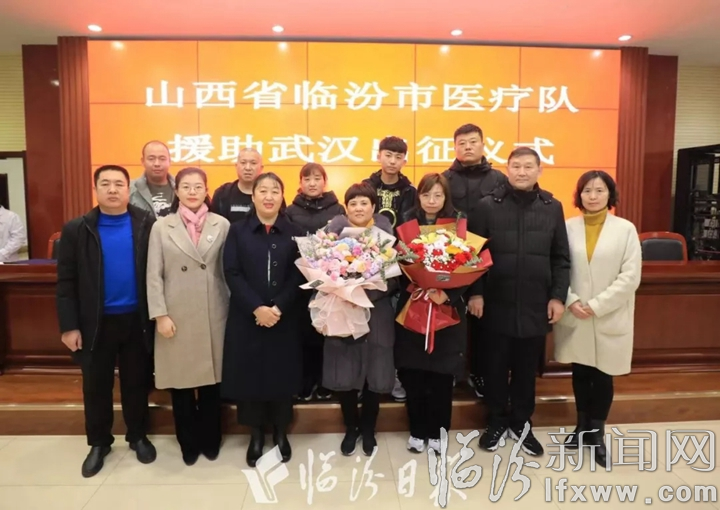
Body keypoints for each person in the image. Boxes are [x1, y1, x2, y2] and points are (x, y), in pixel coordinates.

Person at [56, 165, 157, 478]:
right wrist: (69, 325)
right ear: (96, 189)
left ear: (128, 189)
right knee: (96, 386)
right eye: (105, 184)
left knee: (136, 382)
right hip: (94, 323)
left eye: (118, 184)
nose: (112, 190)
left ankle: (137, 435)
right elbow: (66, 281)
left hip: (137, 319)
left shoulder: (146, 223)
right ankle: (99, 442)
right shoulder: (78, 229)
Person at [471, 147, 570, 456]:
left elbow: (561, 258)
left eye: (528, 166)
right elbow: (472, 255)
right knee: (495, 366)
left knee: (527, 370)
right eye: (516, 166)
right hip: (495, 301)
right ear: (507, 169)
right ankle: (496, 420)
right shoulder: (487, 206)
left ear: (539, 170)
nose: (522, 172)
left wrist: (557, 296)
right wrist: (475, 293)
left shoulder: (552, 207)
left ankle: (521, 423)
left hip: (535, 302)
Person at [554, 171, 642, 468]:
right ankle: (581, 427)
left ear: (610, 194)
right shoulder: (568, 227)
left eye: (599, 190)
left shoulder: (625, 229)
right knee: (580, 372)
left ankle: (597, 433)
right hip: (575, 311)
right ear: (579, 195)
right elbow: (557, 267)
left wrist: (596, 305)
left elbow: (630, 276)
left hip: (608, 313)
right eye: (587, 190)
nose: (593, 196)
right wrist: (571, 300)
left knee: (604, 374)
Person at [146, 167, 231, 466]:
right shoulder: (162, 227)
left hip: (214, 312)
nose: (192, 192)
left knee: (211, 384)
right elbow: (153, 275)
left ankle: (211, 439)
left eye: (198, 186)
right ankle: (188, 442)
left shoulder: (222, 224)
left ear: (207, 190)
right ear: (177, 191)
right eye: (186, 186)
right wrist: (160, 314)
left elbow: (229, 270)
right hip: (176, 315)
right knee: (181, 385)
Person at [221, 173, 304, 467]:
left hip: (284, 317)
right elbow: (231, 272)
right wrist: (256, 307)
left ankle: (281, 432)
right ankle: (255, 435)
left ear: (283, 196)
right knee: (250, 377)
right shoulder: (237, 230)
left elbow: (300, 273)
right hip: (248, 318)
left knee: (282, 375)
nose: (269, 196)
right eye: (263, 191)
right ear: (253, 196)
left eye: (275, 191)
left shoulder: (295, 232)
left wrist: (278, 307)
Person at [395, 173, 468, 454]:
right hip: (413, 305)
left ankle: (439, 433)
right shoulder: (406, 223)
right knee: (413, 373)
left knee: (441, 375)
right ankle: (417, 430)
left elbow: (469, 265)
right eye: (426, 195)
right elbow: (398, 265)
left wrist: (447, 294)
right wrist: (416, 283)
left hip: (445, 308)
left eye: (438, 195)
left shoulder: (459, 224)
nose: (432, 200)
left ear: (446, 197)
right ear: (419, 196)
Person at [324, 183, 398, 457]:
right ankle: (351, 427)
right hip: (343, 309)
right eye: (353, 203)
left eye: (364, 203)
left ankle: (368, 428)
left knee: (374, 372)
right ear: (346, 208)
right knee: (344, 369)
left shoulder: (385, 238)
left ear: (373, 208)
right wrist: (343, 288)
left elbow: (395, 280)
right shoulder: (331, 239)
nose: (358, 208)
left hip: (377, 311)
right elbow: (322, 273)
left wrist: (367, 290)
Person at [443, 124, 508, 400]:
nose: (467, 147)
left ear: (483, 144)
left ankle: (481, 374)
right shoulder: (444, 179)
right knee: (451, 320)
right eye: (462, 143)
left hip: (488, 262)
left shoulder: (499, 179)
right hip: (450, 262)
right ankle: (450, 373)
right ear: (454, 147)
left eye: (473, 142)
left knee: (485, 325)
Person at [362, 135, 416, 403]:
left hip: (401, 267)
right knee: (368, 328)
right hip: (368, 266)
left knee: (394, 329)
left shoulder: (411, 192)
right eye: (388, 155)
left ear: (404, 160)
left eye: (398, 156)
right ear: (379, 156)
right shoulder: (366, 186)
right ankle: (365, 379)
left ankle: (392, 377)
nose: (393, 161)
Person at [286, 163, 345, 402]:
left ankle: (325, 381)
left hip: (330, 284)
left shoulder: (338, 209)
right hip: (300, 283)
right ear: (300, 183)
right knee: (302, 334)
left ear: (325, 181)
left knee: (327, 335)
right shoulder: (290, 210)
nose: (312, 183)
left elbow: (345, 244)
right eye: (307, 179)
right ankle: (305, 381)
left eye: (317, 178)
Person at [211, 148, 265, 223]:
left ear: (261, 168)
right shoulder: (222, 194)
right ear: (236, 166)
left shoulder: (270, 195)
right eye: (243, 163)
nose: (248, 168)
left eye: (253, 163)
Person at [130, 140, 176, 218]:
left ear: (169, 161)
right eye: (151, 159)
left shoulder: (181, 187)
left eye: (162, 159)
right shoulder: (130, 189)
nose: (157, 164)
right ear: (143, 161)